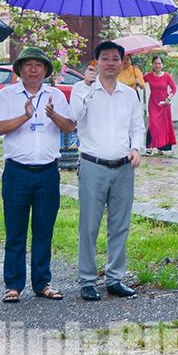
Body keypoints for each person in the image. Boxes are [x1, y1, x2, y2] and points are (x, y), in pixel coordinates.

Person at [0, 47, 75, 303]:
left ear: (46, 70)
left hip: (48, 172)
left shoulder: (56, 95)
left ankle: (42, 283)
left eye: (38, 65)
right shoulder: (6, 95)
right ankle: (13, 285)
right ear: (20, 69)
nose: (33, 69)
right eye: (28, 65)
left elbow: (70, 127)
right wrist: (24, 116)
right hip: (17, 172)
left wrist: (53, 115)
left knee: (43, 230)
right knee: (15, 231)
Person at [71, 41, 145, 300]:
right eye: (105, 58)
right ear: (96, 62)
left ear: (122, 62)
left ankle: (115, 277)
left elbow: (137, 126)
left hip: (123, 167)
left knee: (120, 225)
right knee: (89, 225)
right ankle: (88, 280)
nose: (110, 63)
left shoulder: (129, 93)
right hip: (93, 165)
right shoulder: (82, 90)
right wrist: (88, 88)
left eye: (115, 58)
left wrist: (137, 148)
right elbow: (74, 117)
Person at [144, 56, 177, 155]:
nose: (157, 65)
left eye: (159, 63)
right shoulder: (148, 76)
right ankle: (149, 146)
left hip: (164, 104)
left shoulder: (167, 76)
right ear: (152, 65)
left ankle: (161, 148)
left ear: (162, 65)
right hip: (153, 103)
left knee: (164, 125)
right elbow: (141, 83)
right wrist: (136, 80)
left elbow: (174, 88)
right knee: (153, 123)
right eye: (155, 63)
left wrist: (168, 98)